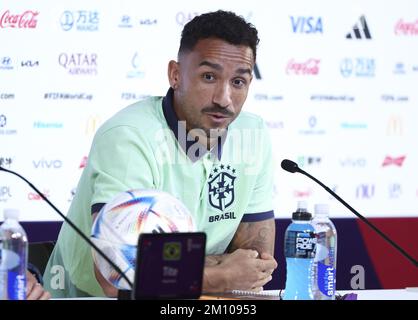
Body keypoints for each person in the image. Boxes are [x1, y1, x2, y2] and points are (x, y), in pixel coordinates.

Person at [43, 10, 277, 298]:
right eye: (208, 77)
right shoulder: (128, 137)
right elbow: (115, 277)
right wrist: (218, 274)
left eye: (238, 82)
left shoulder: (252, 133)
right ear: (175, 75)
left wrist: (176, 269)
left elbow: (254, 266)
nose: (223, 99)